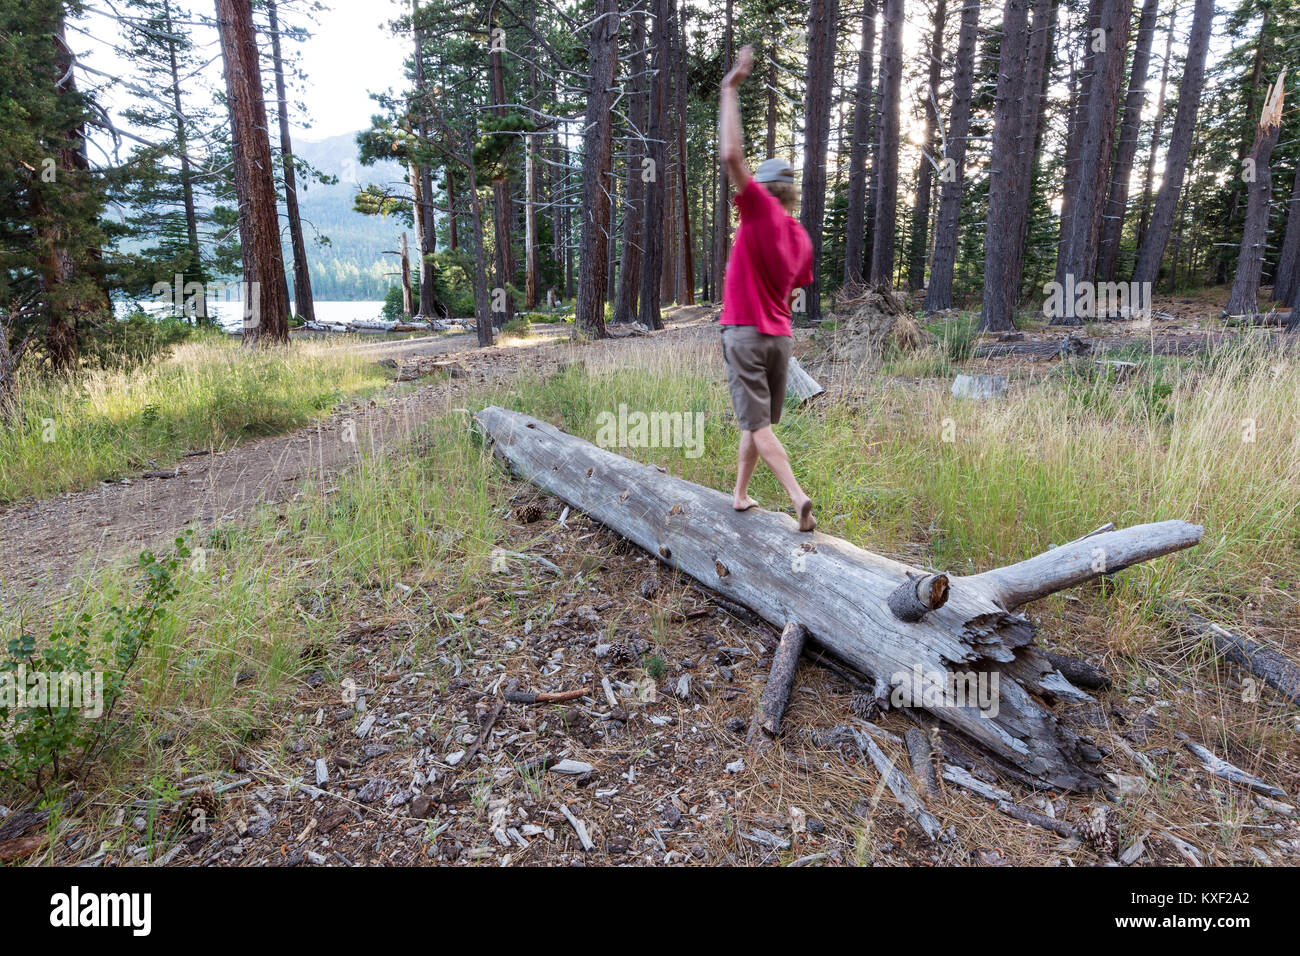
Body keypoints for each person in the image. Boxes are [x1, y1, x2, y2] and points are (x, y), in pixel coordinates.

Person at [717, 44, 816, 532]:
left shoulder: (757, 208)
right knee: (756, 423)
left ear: (764, 187)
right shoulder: (800, 236)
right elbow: (796, 291)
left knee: (756, 424)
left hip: (744, 333)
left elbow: (730, 153)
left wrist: (730, 88)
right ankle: (738, 494)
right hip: (781, 339)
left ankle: (797, 496)